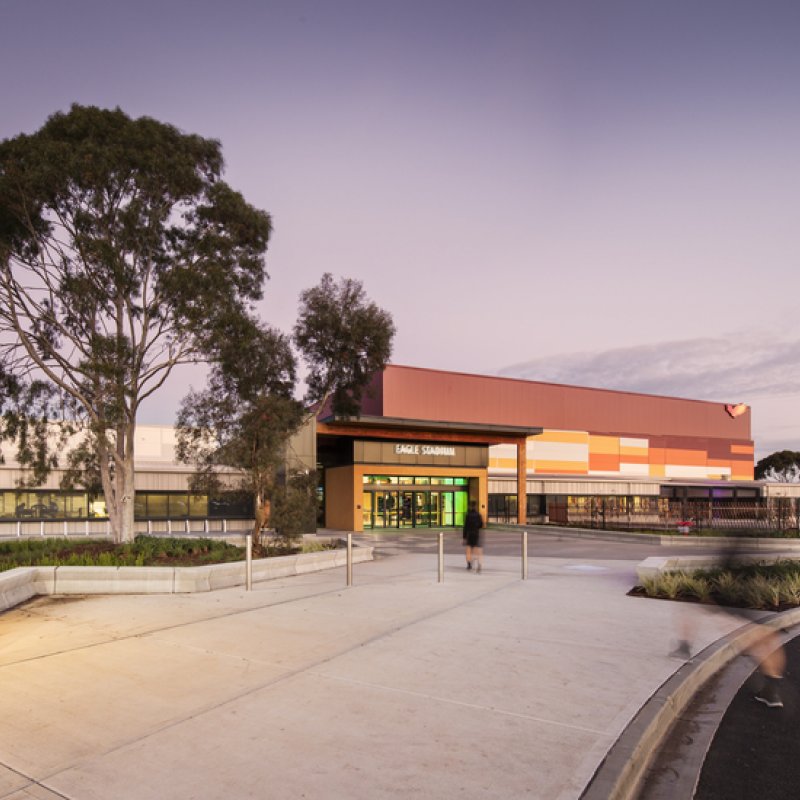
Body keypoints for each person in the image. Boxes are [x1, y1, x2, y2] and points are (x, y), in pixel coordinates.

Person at [463, 501, 484, 573]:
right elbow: (481, 525)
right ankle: (479, 563)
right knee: (477, 549)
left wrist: (464, 537)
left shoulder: (468, 515)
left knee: (468, 550)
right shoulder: (478, 515)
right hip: (476, 534)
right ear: (475, 506)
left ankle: (469, 564)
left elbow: (465, 527)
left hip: (469, 534)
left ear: (470, 506)